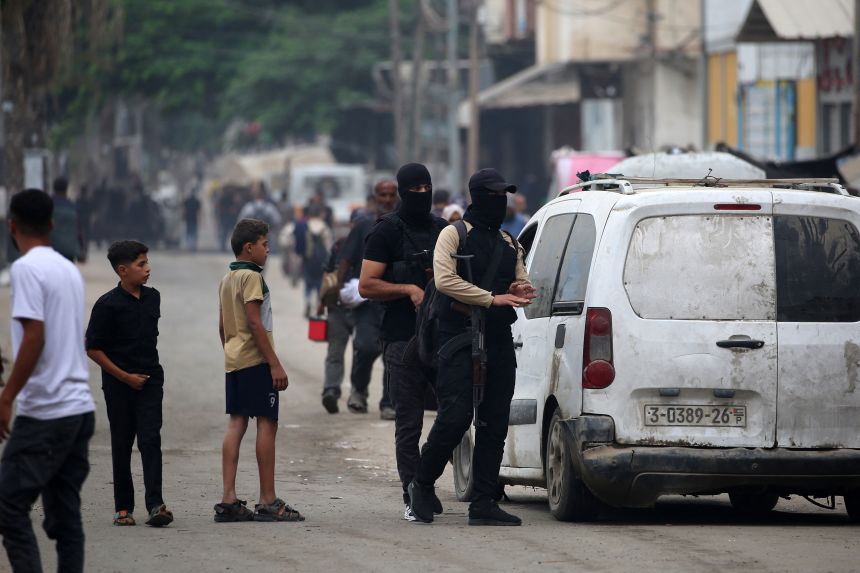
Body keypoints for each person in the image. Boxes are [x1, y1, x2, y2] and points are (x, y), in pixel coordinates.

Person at [409, 168, 535, 526]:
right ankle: (422, 482)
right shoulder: (453, 234)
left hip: (497, 339)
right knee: (456, 416)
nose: (501, 202)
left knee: (495, 422)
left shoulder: (509, 242)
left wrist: (521, 291)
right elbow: (446, 280)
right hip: (458, 338)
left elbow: (520, 281)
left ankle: (482, 501)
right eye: (494, 195)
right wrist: (489, 299)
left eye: (504, 195)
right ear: (478, 196)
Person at [0, 189, 96, 572]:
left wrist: (7, 396)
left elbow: (35, 337)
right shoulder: (67, 269)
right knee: (65, 516)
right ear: (53, 225)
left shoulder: (25, 269)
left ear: (12, 226)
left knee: (8, 505)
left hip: (47, 412)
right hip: (79, 410)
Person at [358, 164, 448, 520]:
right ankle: (412, 492)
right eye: (415, 188)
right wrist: (407, 289)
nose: (422, 193)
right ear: (401, 191)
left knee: (455, 415)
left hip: (443, 337)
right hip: (401, 337)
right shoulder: (385, 232)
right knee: (409, 422)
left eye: (428, 186)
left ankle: (424, 480)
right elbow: (367, 285)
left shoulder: (443, 230)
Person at [215, 218, 304, 523]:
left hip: (235, 360)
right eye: (265, 245)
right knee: (267, 423)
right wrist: (274, 363)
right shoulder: (252, 277)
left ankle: (228, 498)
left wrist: (231, 352)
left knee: (236, 423)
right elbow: (255, 322)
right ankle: (267, 499)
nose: (269, 250)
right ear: (249, 247)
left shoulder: (227, 279)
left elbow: (223, 325)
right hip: (256, 361)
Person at [85, 240, 173, 528]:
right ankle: (123, 507)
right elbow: (93, 348)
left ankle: (155, 504)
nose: (148, 269)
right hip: (118, 385)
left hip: (150, 381)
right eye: (141, 265)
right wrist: (124, 377)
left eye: (147, 263)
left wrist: (142, 379)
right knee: (122, 443)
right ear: (122, 270)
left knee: (150, 440)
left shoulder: (152, 298)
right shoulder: (107, 305)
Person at [336, 180, 398, 418]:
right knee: (365, 346)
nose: (387, 199)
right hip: (368, 300)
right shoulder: (363, 225)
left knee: (394, 352)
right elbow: (346, 260)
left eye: (392, 194)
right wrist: (339, 292)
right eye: (383, 194)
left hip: (396, 300)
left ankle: (388, 402)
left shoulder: (404, 225)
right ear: (375, 197)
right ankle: (359, 391)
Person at [300, 204, 332, 318]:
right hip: (320, 261)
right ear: (320, 214)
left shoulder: (304, 225)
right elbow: (329, 247)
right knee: (319, 284)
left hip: (308, 259)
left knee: (308, 284)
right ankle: (318, 305)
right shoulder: (324, 227)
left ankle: (307, 300)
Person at [50, 177, 86, 262]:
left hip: (52, 249)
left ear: (54, 188)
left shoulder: (48, 206)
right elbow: (79, 231)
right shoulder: (73, 207)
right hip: (69, 250)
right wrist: (81, 250)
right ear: (66, 188)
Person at [183, 186, 202, 251]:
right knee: (193, 232)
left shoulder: (187, 200)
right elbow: (199, 212)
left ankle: (189, 245)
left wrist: (183, 217)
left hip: (189, 218)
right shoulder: (197, 201)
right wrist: (200, 219)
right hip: (194, 218)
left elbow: (184, 210)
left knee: (189, 231)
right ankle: (193, 246)